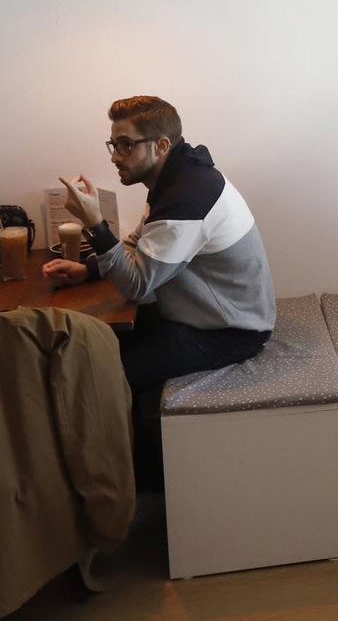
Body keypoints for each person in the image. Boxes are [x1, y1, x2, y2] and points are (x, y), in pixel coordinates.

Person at [45, 96, 275, 490]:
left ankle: (135, 491)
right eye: (113, 144)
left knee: (104, 374)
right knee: (93, 344)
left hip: (229, 330)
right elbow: (141, 244)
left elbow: (138, 282)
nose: (116, 155)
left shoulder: (189, 197)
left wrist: (95, 224)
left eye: (126, 145)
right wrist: (87, 270)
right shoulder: (178, 176)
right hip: (196, 314)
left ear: (162, 145)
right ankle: (135, 478)